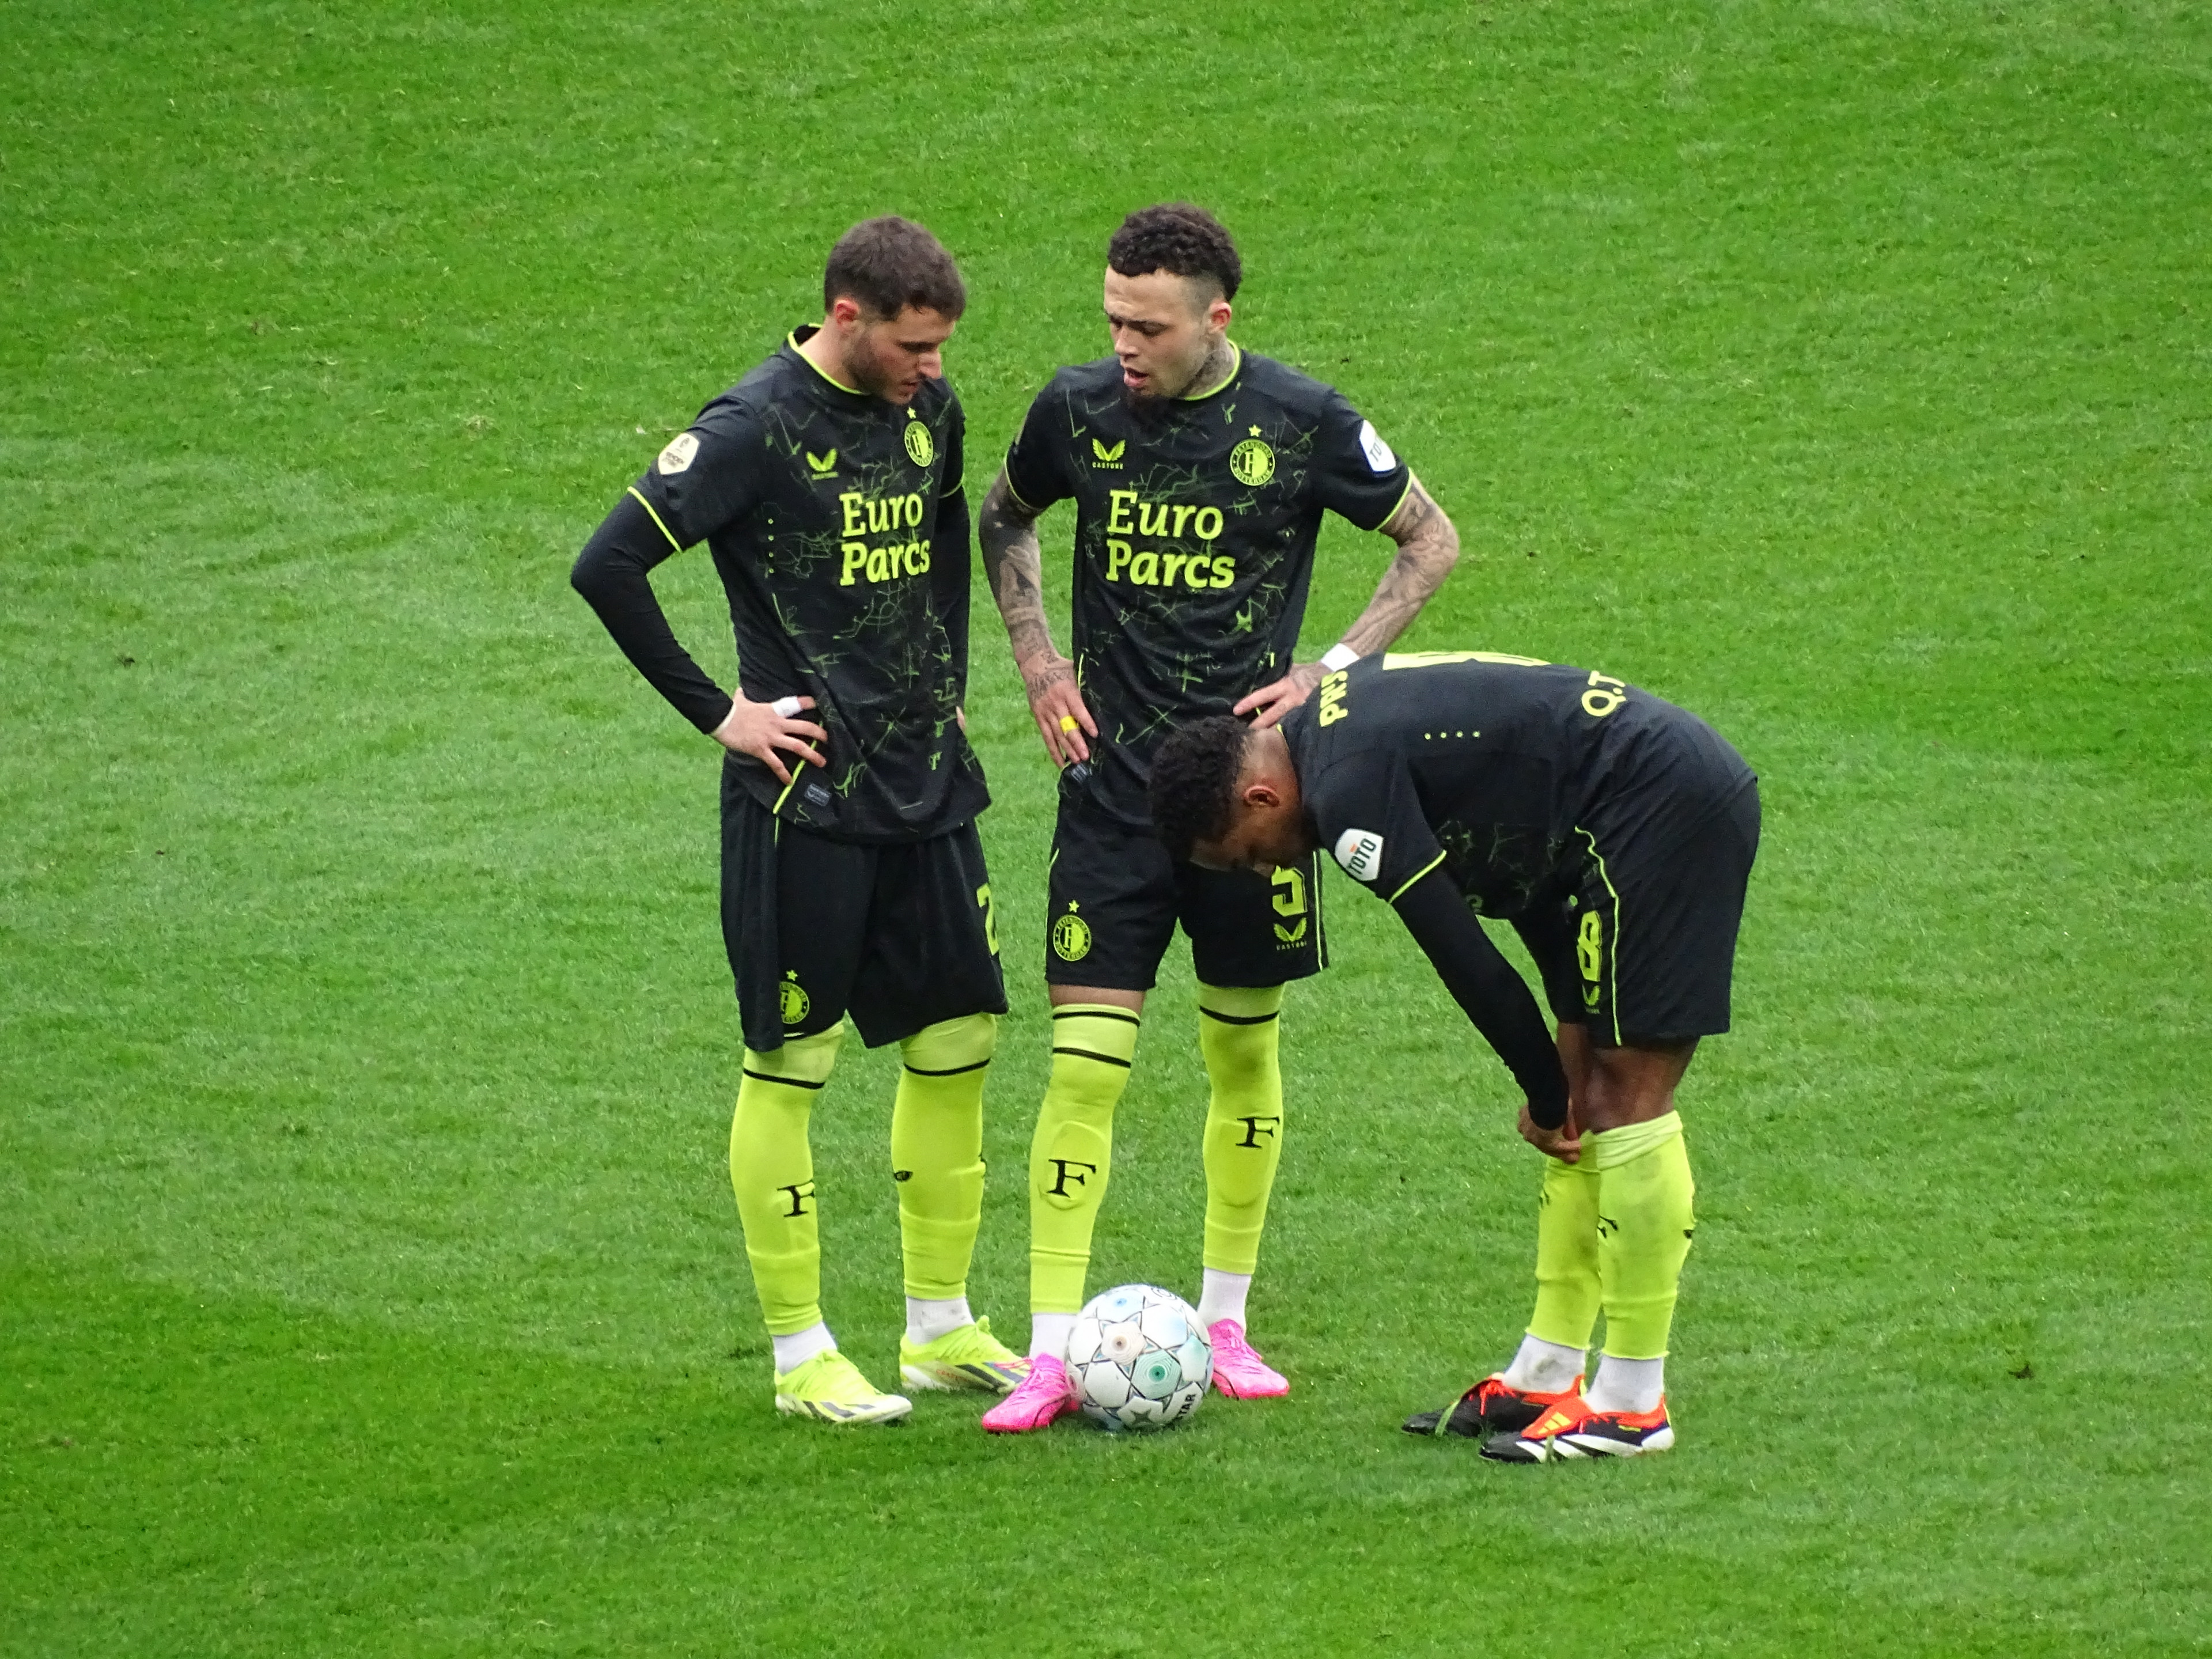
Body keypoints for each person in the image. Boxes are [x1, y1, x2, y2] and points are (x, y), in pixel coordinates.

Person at [975, 204, 1461, 1432]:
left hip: (1256, 805)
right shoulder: (1074, 410)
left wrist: (1332, 673)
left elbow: (1429, 541)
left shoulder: (1301, 423)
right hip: (1111, 794)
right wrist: (1038, 661)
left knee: (1242, 1052)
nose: (1125, 345)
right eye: (1112, 322)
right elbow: (1004, 516)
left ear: (1217, 320)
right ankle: (1045, 1350)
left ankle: (1227, 1321)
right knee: (1085, 1072)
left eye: (1148, 326)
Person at [569, 217, 1025, 1427]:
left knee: (959, 1039)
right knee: (795, 1061)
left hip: (926, 782)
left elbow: (939, 549)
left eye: (940, 347)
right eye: (914, 345)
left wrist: (954, 691)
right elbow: (606, 566)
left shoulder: (932, 409)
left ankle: (940, 1327)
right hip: (804, 798)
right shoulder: (750, 428)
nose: (931, 366)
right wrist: (724, 715)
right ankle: (801, 1354)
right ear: (845, 317)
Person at [1147, 650, 1759, 1460]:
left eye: (1247, 852)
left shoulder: (1346, 794)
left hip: (1661, 806)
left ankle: (1633, 1402)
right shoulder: (1322, 730)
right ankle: (1547, 1369)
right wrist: (1559, 1069)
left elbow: (1466, 960)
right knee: (1589, 1093)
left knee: (1622, 1102)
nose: (1265, 868)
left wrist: (1546, 1097)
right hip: (1605, 821)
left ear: (1261, 795)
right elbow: (1528, 877)